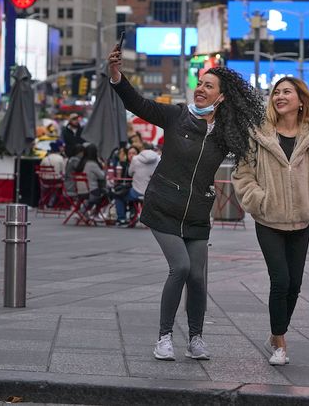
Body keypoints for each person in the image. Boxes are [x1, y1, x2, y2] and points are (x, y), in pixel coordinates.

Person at [108, 43, 264, 362]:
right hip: (163, 206)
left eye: (209, 86)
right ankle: (164, 338)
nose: (200, 89)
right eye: (200, 84)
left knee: (197, 275)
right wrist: (116, 76)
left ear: (222, 96)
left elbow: (261, 145)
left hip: (196, 214)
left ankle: (196, 339)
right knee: (180, 267)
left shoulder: (228, 134)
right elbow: (137, 103)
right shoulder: (176, 116)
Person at [232, 77, 309, 366]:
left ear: (301, 100)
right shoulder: (258, 135)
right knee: (281, 280)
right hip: (268, 219)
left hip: (301, 221)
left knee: (295, 284)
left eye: (286, 91)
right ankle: (280, 343)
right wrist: (258, 200)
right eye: (276, 92)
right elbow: (242, 174)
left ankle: (276, 333)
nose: (279, 96)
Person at [113, 142, 160, 226]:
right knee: (127, 192)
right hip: (153, 193)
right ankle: (133, 215)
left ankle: (122, 219)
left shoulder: (135, 159)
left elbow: (130, 173)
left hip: (137, 192)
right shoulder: (158, 158)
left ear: (142, 149)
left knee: (119, 195)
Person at [78, 143, 107, 220]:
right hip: (92, 191)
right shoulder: (92, 164)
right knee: (109, 194)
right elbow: (102, 176)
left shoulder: (82, 162)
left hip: (80, 190)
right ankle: (95, 213)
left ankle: (84, 211)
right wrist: (103, 167)